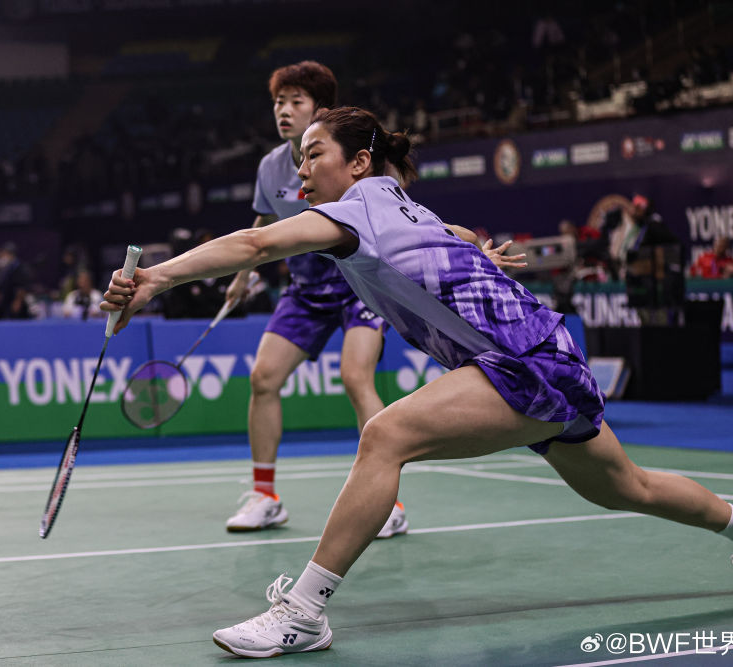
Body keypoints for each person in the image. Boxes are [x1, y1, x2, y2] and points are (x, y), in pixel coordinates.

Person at [101, 106, 733, 658]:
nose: (301, 170)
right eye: (298, 159)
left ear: (359, 162)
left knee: (386, 435)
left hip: (520, 360)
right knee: (628, 487)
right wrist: (476, 249)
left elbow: (256, 244)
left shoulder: (355, 210)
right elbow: (451, 234)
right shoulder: (396, 200)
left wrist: (155, 277)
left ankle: (304, 611)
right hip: (544, 352)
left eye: (314, 155)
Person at [221, 61, 520, 537]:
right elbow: (262, 225)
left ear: (320, 110)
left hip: (357, 282)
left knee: (356, 375)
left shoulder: (355, 165)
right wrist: (242, 276)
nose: (284, 110)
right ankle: (265, 497)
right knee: (263, 378)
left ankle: (388, 505)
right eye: (279, 101)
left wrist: (474, 251)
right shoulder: (270, 167)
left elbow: (413, 223)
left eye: (296, 101)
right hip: (306, 289)